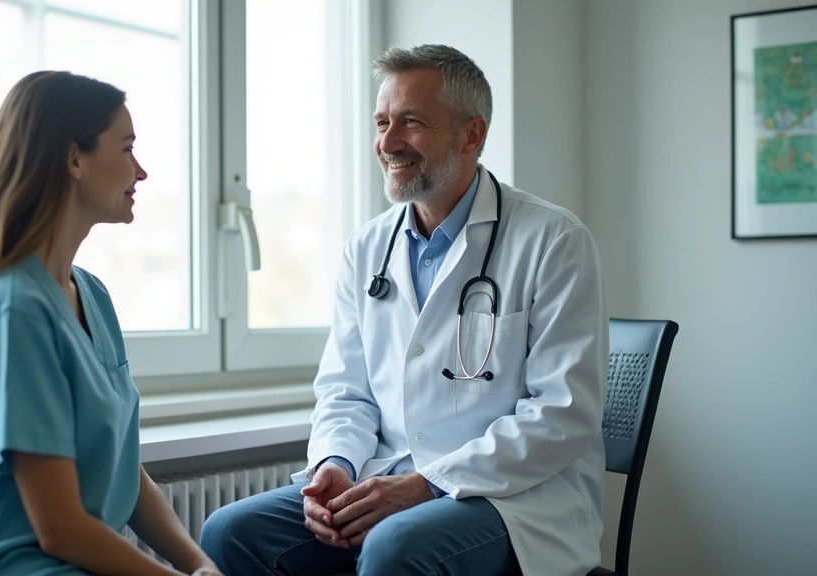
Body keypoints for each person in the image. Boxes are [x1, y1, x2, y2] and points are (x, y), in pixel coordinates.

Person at [200, 44, 609, 576]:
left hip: (512, 499)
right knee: (229, 532)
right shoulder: (367, 247)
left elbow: (563, 412)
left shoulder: (553, 240)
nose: (388, 142)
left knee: (395, 547)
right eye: (382, 121)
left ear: (472, 134)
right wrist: (336, 464)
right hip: (389, 480)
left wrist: (426, 484)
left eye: (411, 122)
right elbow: (346, 390)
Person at [0, 71, 223, 576]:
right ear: (74, 158)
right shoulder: (11, 310)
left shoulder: (89, 293)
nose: (141, 172)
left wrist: (201, 564)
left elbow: (124, 471)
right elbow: (60, 528)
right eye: (127, 149)